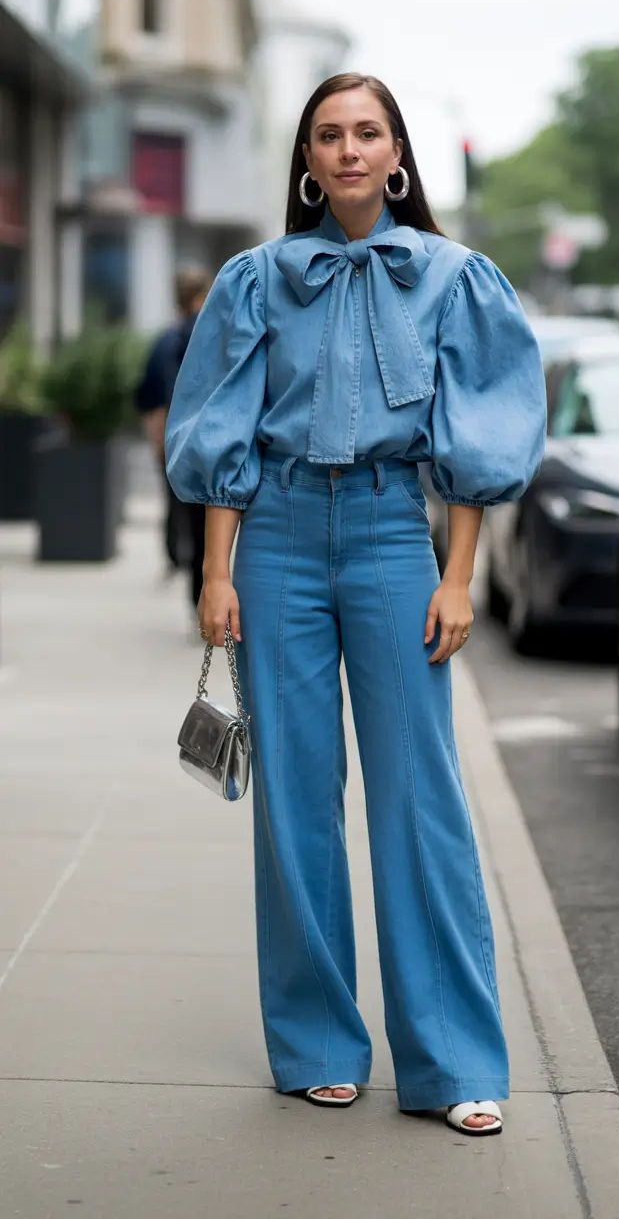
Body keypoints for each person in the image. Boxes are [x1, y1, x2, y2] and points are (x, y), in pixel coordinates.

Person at [166, 74, 546, 1136]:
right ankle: (318, 1043)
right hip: (277, 537)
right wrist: (216, 570)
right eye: (328, 133)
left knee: (420, 800)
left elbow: (476, 437)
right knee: (294, 802)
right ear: (307, 156)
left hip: (390, 534)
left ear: (396, 154)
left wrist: (458, 575)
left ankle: (454, 1062)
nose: (347, 150)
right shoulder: (255, 279)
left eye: (366, 132)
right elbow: (221, 431)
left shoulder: (453, 277)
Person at [135, 268, 211, 611]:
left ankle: (183, 572)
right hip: (207, 440)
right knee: (205, 525)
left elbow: (149, 400)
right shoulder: (210, 331)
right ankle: (202, 591)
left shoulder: (165, 340)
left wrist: (158, 443)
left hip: (173, 439)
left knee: (180, 511)